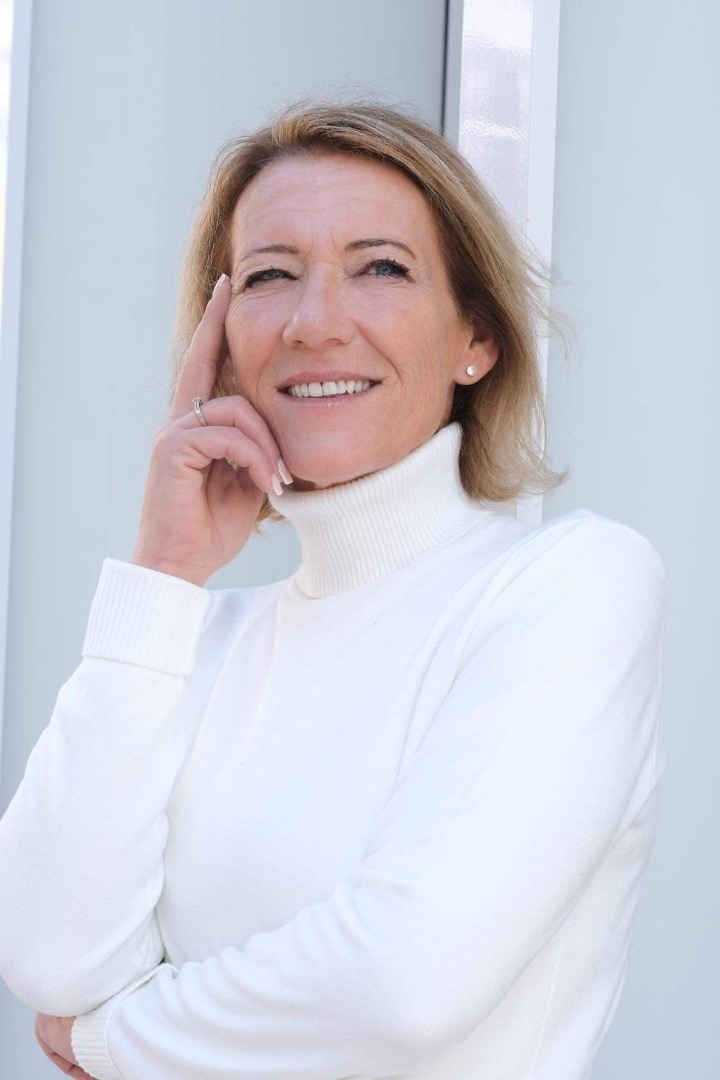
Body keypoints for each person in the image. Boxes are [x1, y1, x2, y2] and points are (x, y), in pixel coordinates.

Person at [0, 101, 665, 1080]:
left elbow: (404, 983)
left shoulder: (569, 588)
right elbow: (48, 958)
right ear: (224, 340)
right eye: (270, 276)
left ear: (476, 336)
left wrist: (111, 1040)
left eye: (380, 268)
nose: (314, 323)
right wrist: (162, 575)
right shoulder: (197, 638)